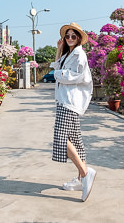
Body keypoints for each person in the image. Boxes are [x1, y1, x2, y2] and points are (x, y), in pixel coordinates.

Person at [49, 22, 96, 202]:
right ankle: (79, 180)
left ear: (78, 38)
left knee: (61, 138)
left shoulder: (79, 54)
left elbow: (75, 75)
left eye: (72, 36)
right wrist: (59, 49)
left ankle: (85, 174)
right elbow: (57, 66)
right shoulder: (70, 53)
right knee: (75, 140)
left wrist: (58, 74)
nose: (69, 39)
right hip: (65, 100)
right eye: (67, 36)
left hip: (69, 102)